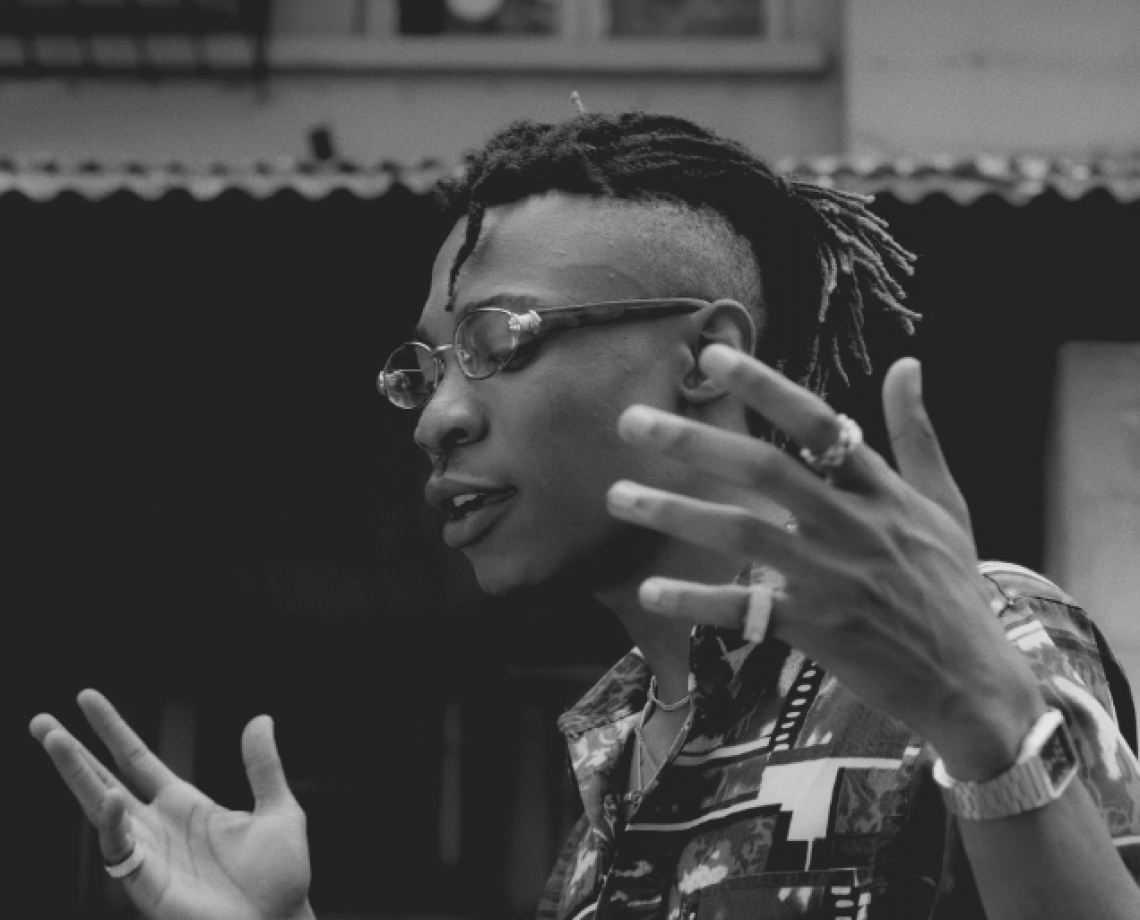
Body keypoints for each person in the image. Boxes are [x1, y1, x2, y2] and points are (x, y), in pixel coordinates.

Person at [30, 112, 1140, 920]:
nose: (439, 418)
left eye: (495, 341)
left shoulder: (974, 640)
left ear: (709, 358)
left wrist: (993, 737)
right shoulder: (616, 749)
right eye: (428, 367)